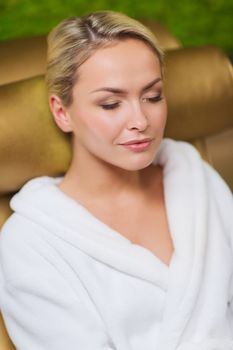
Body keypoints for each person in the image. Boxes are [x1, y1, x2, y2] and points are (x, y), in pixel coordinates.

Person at [0, 10, 232, 350]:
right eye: (111, 104)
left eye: (153, 97)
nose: (141, 120)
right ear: (62, 112)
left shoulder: (193, 177)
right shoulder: (31, 244)